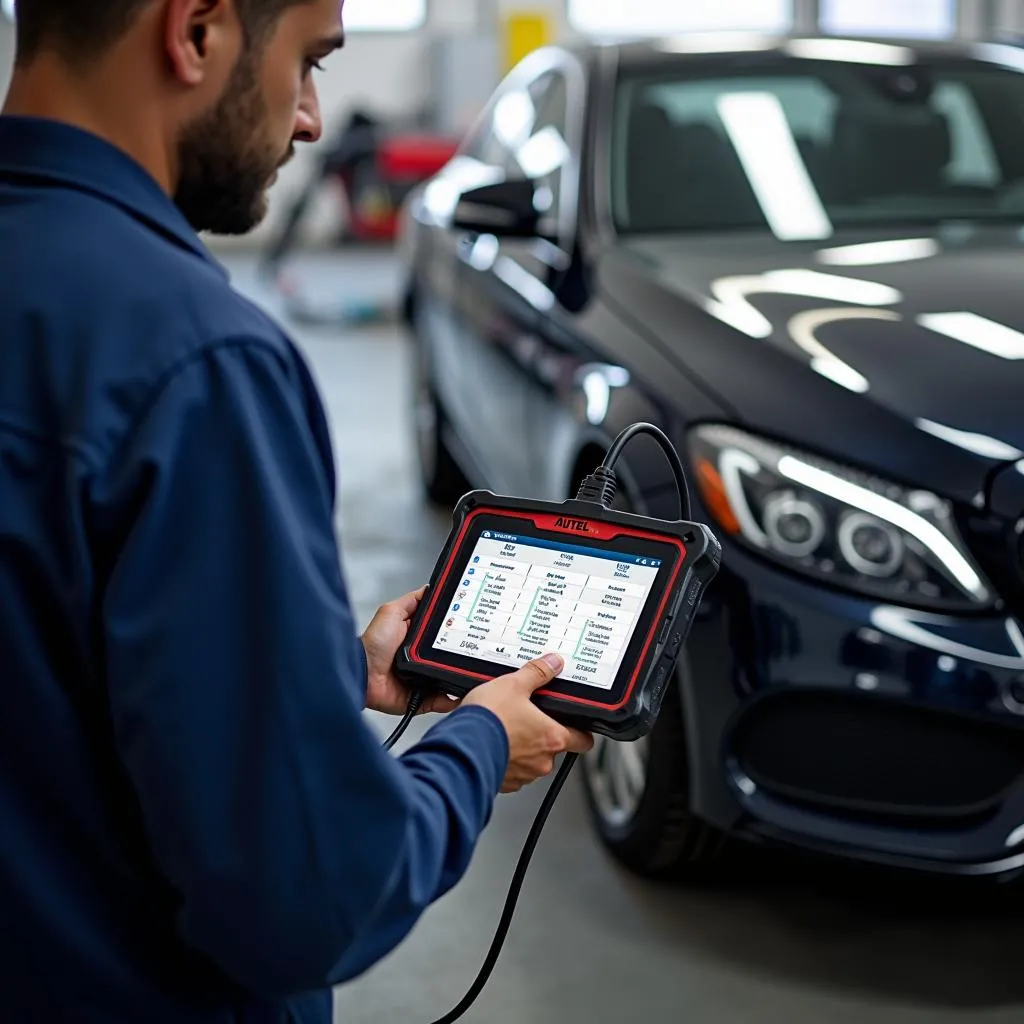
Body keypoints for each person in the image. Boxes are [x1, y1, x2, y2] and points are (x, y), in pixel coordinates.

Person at [0, 2, 593, 1023]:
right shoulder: (193, 358)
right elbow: (311, 897)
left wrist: (325, 668)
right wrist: (480, 742)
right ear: (196, 33)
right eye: (309, 63)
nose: (313, 118)